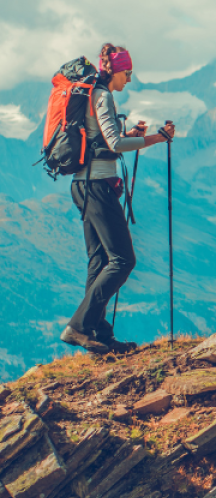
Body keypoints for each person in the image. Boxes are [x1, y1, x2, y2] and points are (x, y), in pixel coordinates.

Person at [60, 43, 176, 354]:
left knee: (99, 261)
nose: (130, 79)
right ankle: (79, 327)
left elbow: (104, 137)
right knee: (124, 260)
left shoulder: (94, 94)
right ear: (117, 70)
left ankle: (99, 333)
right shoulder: (103, 95)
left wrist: (131, 132)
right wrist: (157, 137)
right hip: (96, 187)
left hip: (84, 185)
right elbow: (114, 143)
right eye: (128, 72)